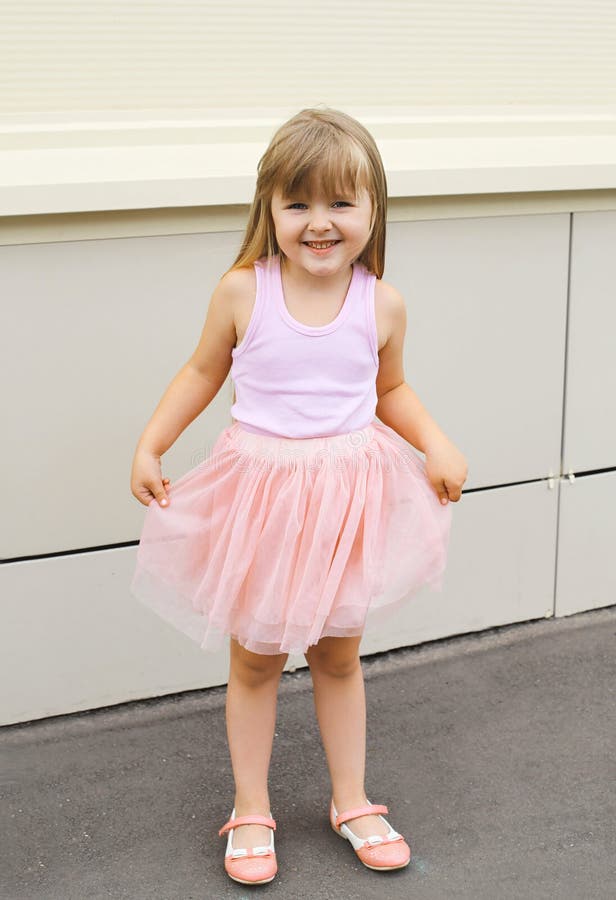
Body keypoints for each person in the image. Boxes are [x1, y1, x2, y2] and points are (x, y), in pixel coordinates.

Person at [129, 107, 468, 886]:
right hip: (264, 506)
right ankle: (252, 806)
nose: (320, 223)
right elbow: (201, 374)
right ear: (269, 209)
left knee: (338, 656)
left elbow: (391, 389)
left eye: (341, 203)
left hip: (346, 503)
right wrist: (151, 443)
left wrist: (436, 442)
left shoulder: (380, 303)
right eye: (298, 203)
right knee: (254, 661)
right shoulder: (244, 292)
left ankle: (350, 799)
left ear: (373, 209)